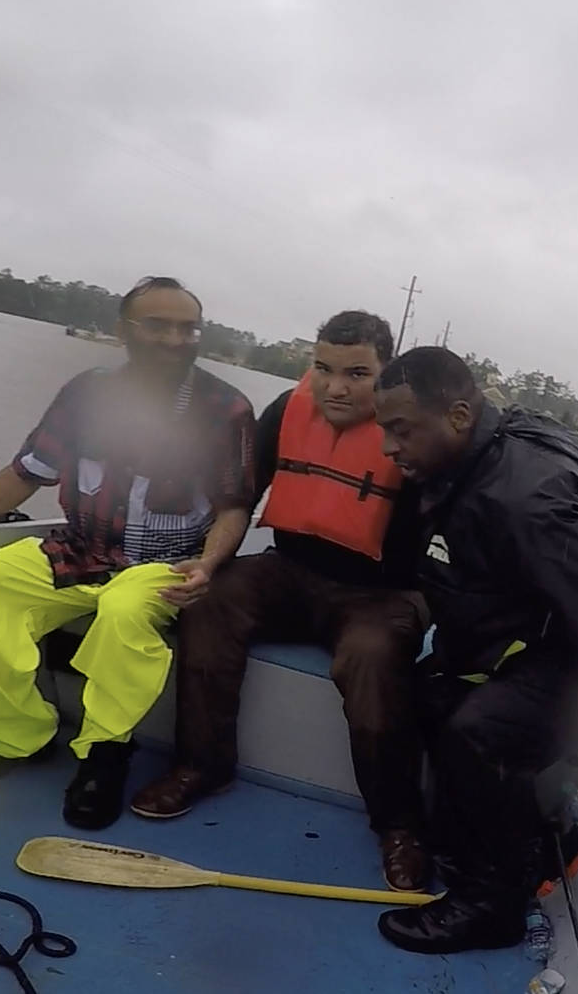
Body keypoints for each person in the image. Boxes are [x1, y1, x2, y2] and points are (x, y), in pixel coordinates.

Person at [0, 277, 256, 831]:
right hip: (81, 549)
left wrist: (207, 564)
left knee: (123, 611)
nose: (176, 339)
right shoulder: (86, 393)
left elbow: (235, 506)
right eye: (159, 326)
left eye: (188, 329)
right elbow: (27, 472)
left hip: (165, 564)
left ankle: (105, 754)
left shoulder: (225, 409)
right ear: (124, 330)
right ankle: (16, 735)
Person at [367, 346, 578, 954]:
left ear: (459, 416)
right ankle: (491, 842)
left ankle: (493, 907)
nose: (388, 447)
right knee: (431, 691)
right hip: (560, 626)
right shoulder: (471, 458)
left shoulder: (533, 499)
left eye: (401, 430)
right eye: (385, 430)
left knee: (480, 732)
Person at [130, 310, 435, 893]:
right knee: (211, 602)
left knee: (371, 659)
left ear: (388, 374)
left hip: (381, 592)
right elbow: (239, 499)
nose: (335, 387)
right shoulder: (285, 411)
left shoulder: (414, 432)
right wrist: (208, 563)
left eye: (357, 374)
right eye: (323, 369)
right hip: (291, 569)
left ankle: (398, 825)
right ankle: (201, 766)